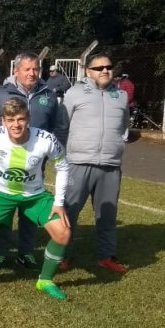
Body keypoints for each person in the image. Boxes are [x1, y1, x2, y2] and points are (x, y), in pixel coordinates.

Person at [0, 97, 71, 300]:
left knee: (63, 233)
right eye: (10, 120)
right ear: (3, 122)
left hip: (34, 196)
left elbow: (62, 165)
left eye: (20, 119)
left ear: (28, 118)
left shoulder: (45, 139)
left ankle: (45, 280)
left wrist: (59, 203)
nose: (16, 125)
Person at [0, 52, 66, 271]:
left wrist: (54, 150)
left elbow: (58, 126)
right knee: (4, 207)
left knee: (31, 204)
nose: (32, 73)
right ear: (16, 71)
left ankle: (26, 252)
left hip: (36, 160)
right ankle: (0, 253)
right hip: (4, 162)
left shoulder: (47, 94)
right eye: (27, 69)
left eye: (36, 69)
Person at [61, 54, 131, 273]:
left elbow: (124, 127)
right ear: (88, 71)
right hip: (79, 163)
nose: (104, 70)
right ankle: (62, 255)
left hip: (110, 166)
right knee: (69, 212)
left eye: (108, 67)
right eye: (98, 67)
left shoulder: (120, 96)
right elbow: (63, 126)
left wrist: (117, 146)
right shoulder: (74, 93)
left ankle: (106, 256)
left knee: (107, 215)